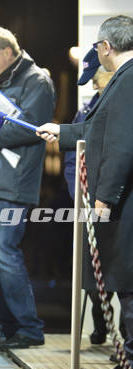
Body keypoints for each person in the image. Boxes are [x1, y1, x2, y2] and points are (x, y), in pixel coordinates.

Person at [37, 15, 133, 369]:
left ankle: (131, 364)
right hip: (122, 202)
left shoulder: (127, 80)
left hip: (123, 203)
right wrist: (61, 131)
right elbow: (97, 130)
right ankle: (127, 360)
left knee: (128, 284)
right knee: (124, 283)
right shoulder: (124, 79)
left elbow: (121, 145)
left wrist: (104, 198)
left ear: (106, 46)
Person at [0, 26, 55, 351]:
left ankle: (29, 328)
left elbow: (31, 128)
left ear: (7, 52)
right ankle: (8, 329)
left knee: (3, 251)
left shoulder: (37, 81)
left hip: (15, 183)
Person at [64, 53, 124, 346]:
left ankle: (123, 341)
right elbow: (73, 159)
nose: (95, 90)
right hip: (91, 200)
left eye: (98, 84)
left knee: (121, 272)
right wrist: (78, 194)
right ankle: (102, 326)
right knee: (94, 269)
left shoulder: (121, 105)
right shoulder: (87, 111)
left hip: (114, 200)